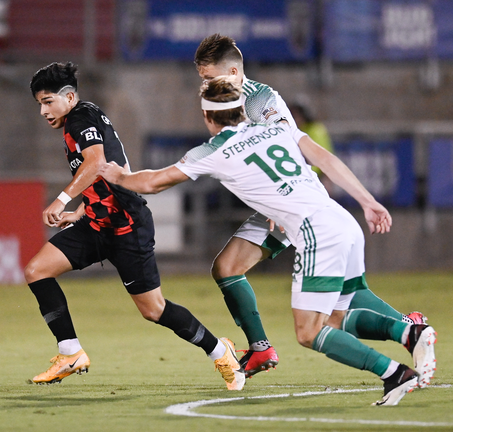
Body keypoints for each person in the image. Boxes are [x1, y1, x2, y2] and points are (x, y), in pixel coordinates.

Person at [99, 76, 438, 405]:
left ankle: (393, 373)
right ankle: (408, 332)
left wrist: (120, 176)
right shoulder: (274, 127)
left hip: (314, 232)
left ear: (206, 115)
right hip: (340, 219)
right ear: (242, 110)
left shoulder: (213, 150)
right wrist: (367, 201)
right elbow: (325, 159)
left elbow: (155, 182)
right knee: (337, 316)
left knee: (309, 332)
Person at [191, 34, 426, 378]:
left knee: (326, 305)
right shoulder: (223, 101)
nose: (206, 85)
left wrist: (279, 208)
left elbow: (295, 148)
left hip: (296, 204)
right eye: (202, 79)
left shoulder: (262, 101)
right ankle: (408, 328)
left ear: (233, 71)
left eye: (210, 78)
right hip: (281, 205)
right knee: (230, 268)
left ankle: (407, 330)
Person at [25, 62, 245, 390]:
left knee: (154, 310)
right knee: (37, 270)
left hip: (128, 225)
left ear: (69, 97)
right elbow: (111, 169)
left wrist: (61, 200)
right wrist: (82, 210)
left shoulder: (80, 118)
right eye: (39, 104)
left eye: (47, 101)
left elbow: (97, 163)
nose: (43, 111)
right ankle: (69, 352)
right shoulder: (81, 119)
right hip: (98, 224)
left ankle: (219, 351)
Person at [288, 98, 335, 192]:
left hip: (314, 177)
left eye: (296, 115)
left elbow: (324, 156)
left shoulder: (316, 130)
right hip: (298, 177)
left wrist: (327, 179)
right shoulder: (293, 130)